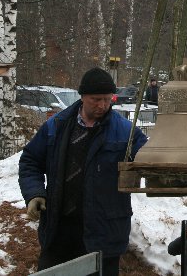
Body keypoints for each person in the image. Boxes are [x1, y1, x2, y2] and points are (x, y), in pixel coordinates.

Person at [18, 67, 147, 275]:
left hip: (104, 233)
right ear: (83, 96)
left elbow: (149, 159)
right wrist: (34, 193)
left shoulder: (126, 132)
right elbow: (30, 160)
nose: (102, 105)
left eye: (107, 99)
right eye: (96, 99)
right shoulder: (56, 126)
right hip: (59, 231)